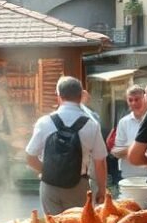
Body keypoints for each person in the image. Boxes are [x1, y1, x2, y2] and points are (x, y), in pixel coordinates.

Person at [26, 76, 109, 214]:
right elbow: (100, 162)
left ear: (58, 96)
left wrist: (48, 172)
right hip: (78, 186)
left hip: (50, 187)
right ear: (81, 95)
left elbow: (30, 158)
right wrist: (102, 189)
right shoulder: (91, 125)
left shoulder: (44, 122)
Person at [112, 85, 147, 180]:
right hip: (129, 176)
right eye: (130, 100)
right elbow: (116, 151)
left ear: (145, 99)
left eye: (137, 99)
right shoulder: (124, 122)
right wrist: (138, 148)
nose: (134, 103)